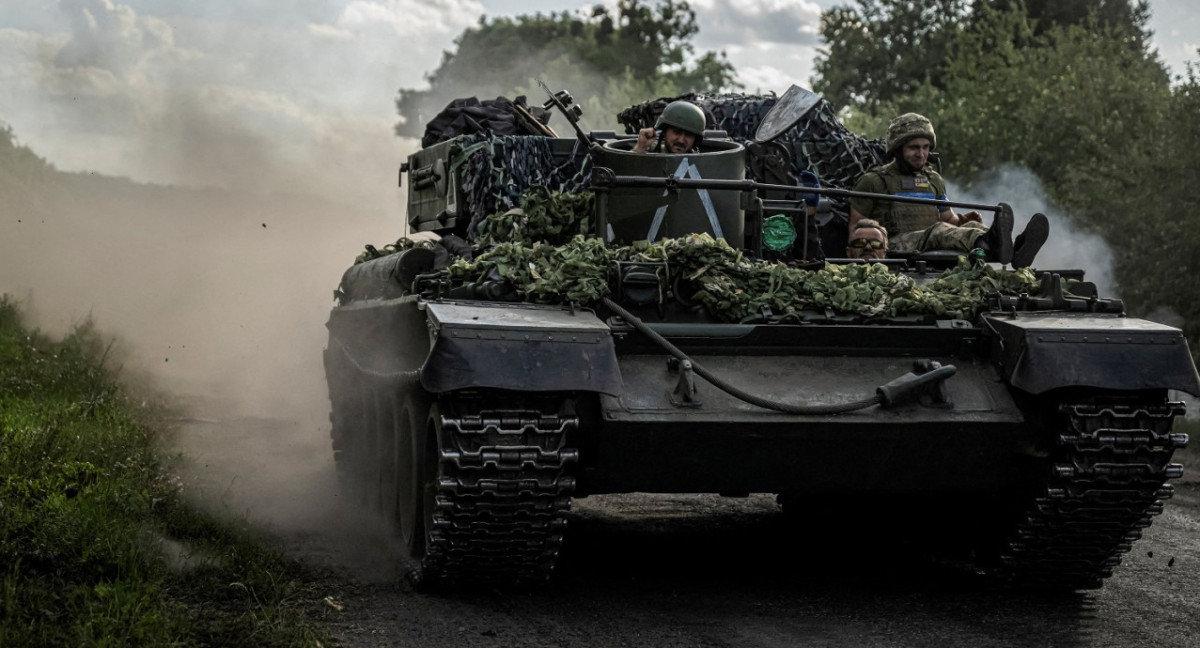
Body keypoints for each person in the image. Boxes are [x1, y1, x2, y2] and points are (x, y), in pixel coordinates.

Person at [849, 113, 1048, 268]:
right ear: (897, 148)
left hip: (928, 240)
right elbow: (855, 229)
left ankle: (1015, 249)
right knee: (938, 231)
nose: (921, 154)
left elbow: (948, 220)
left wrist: (962, 220)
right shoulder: (873, 181)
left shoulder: (933, 179)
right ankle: (988, 242)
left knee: (971, 226)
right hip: (891, 245)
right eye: (914, 148)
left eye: (926, 147)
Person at [633, 101, 706, 154]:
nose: (681, 140)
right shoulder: (651, 152)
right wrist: (640, 147)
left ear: (695, 140)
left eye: (688, 135)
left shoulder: (700, 163)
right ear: (665, 132)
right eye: (676, 132)